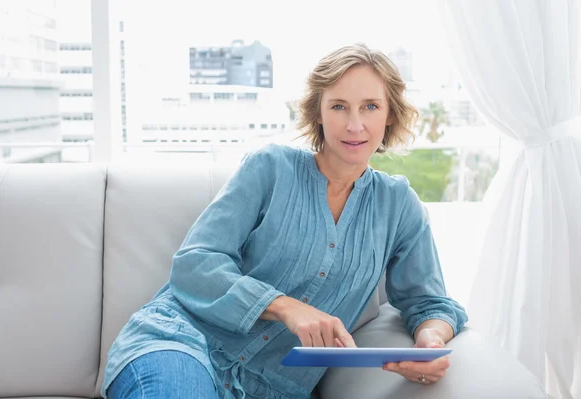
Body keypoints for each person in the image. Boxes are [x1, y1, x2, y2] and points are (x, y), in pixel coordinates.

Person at [101, 42, 468, 399]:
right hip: (182, 346)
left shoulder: (399, 205)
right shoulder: (271, 168)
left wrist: (430, 339)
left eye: (370, 106)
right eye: (339, 106)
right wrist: (286, 307)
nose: (355, 124)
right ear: (318, 112)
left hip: (274, 388)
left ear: (389, 114)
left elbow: (430, 304)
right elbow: (195, 264)